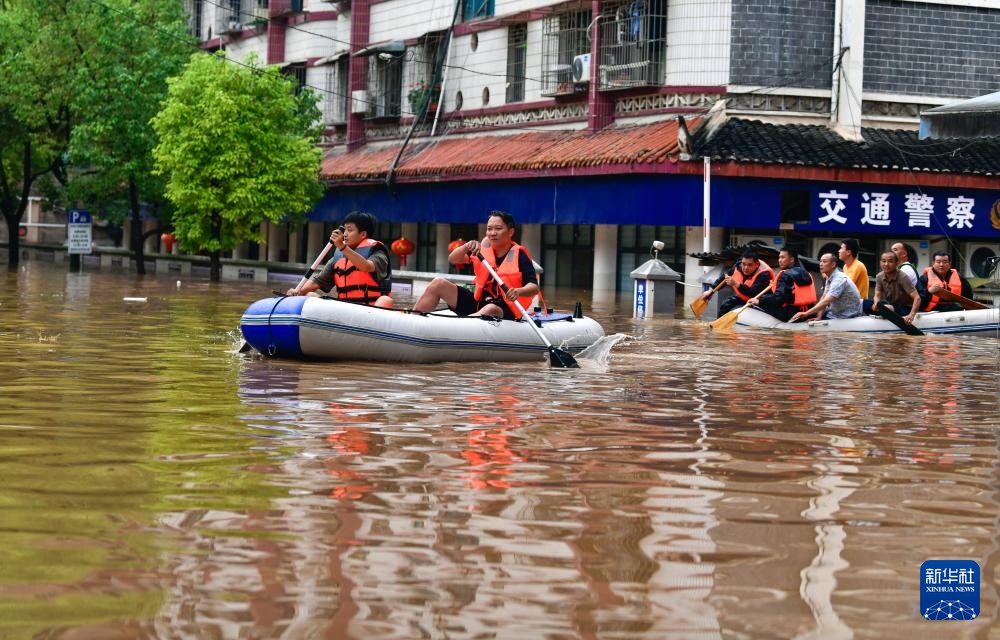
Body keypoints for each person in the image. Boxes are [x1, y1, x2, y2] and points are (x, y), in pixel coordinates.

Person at [411, 210, 539, 320]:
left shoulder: (520, 256)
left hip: (505, 308)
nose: (492, 233)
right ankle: (413, 319)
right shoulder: (482, 250)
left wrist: (518, 291)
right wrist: (466, 247)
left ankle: (462, 328)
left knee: (490, 309)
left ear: (510, 232)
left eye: (498, 229)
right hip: (478, 302)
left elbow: (534, 287)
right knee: (438, 283)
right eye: (489, 229)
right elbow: (453, 259)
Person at [286, 211, 393, 308]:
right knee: (309, 295)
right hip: (343, 309)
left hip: (370, 309)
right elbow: (317, 282)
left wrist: (342, 246)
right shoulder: (337, 258)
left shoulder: (378, 253)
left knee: (385, 300)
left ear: (363, 234)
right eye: (344, 229)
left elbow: (366, 266)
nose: (345, 234)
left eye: (349, 230)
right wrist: (298, 291)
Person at [747, 247, 816, 322]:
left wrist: (759, 301)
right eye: (779, 257)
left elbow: (778, 299)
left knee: (756, 305)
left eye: (782, 257)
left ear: (792, 259)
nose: (779, 260)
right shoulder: (806, 273)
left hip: (791, 314)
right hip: (808, 312)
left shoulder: (785, 275)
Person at [790, 252, 862, 322]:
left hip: (847, 316)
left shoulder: (839, 279)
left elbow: (827, 301)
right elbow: (824, 298)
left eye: (824, 261)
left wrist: (807, 313)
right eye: (820, 261)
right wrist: (819, 317)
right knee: (810, 317)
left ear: (833, 264)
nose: (821, 264)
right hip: (835, 313)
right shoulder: (829, 277)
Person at [698, 250, 773, 315]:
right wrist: (711, 291)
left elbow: (753, 292)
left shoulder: (764, 274)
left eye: (750, 265)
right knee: (725, 304)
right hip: (744, 298)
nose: (746, 268)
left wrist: (736, 284)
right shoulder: (738, 266)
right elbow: (725, 277)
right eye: (744, 264)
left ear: (756, 264)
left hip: (760, 301)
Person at [867, 250, 920, 323]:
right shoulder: (879, 276)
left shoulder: (903, 277)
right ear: (880, 262)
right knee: (864, 303)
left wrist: (911, 315)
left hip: (904, 308)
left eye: (890, 261)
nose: (886, 264)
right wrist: (876, 303)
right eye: (883, 261)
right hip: (890, 305)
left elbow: (917, 298)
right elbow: (877, 294)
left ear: (896, 263)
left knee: (885, 308)